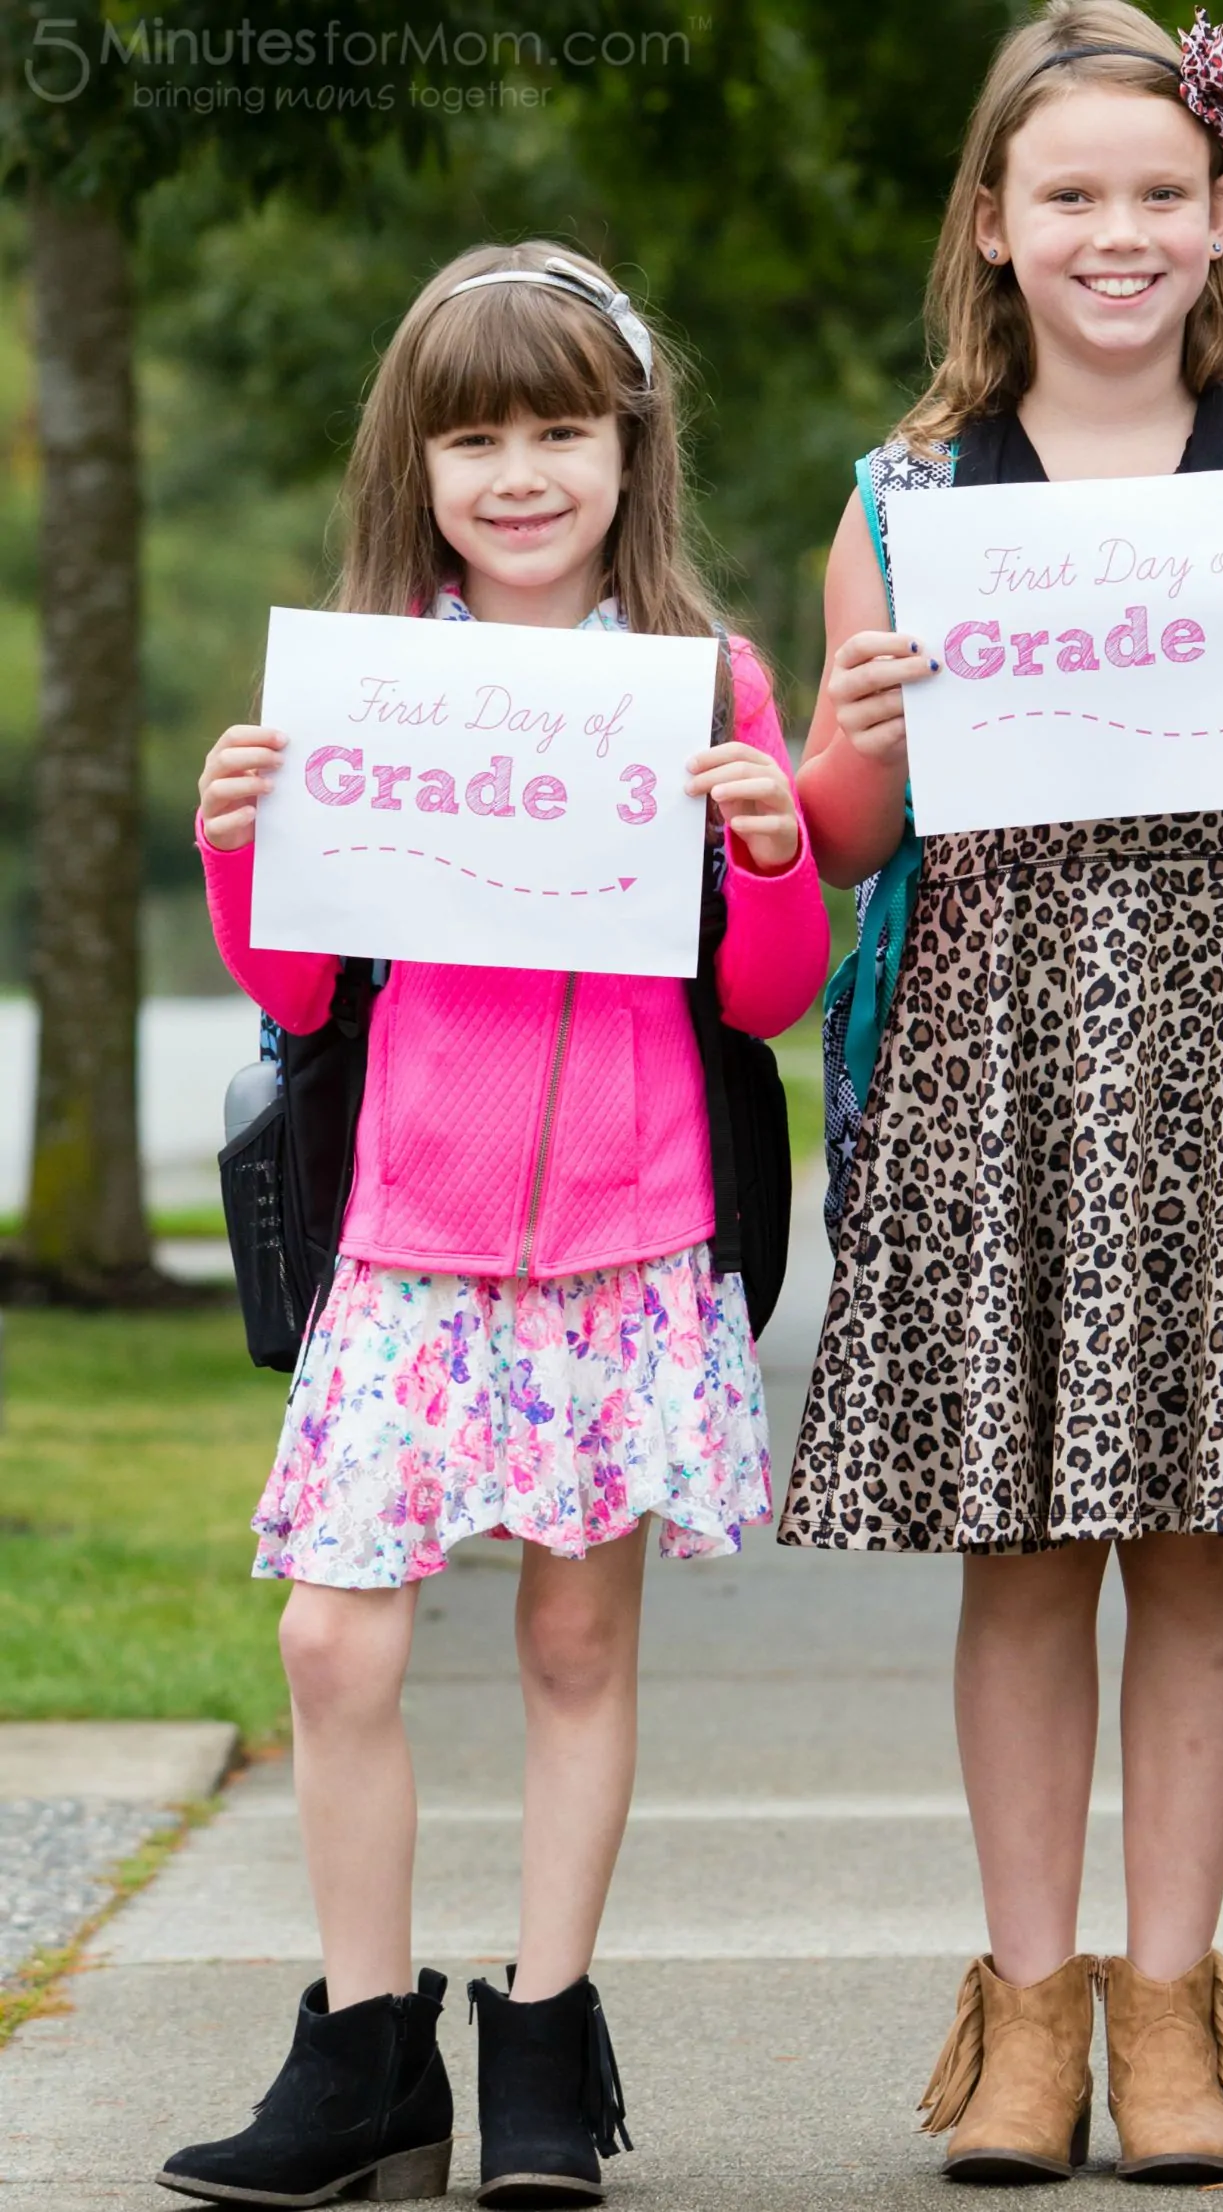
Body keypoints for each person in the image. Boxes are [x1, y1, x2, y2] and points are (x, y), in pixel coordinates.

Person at [781, 2, 1223, 2184]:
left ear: (1221, 215)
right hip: (991, 1056)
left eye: (1157, 195)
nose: (1115, 232)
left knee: (1199, 1538)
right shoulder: (900, 498)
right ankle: (1024, 2007)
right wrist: (853, 730)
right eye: (1068, 194)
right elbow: (845, 838)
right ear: (992, 224)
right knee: (1021, 1542)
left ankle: (1170, 2004)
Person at [162, 243, 829, 2210]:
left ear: (628, 448)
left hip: (625, 1249)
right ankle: (363, 2049)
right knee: (337, 1642)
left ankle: (541, 2038)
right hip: (412, 1247)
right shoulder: (369, 677)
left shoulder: (707, 685)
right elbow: (295, 992)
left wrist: (771, 848)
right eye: (478, 436)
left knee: (568, 1641)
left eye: (559, 428)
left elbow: (763, 992)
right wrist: (236, 833)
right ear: (420, 461)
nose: (521, 470)